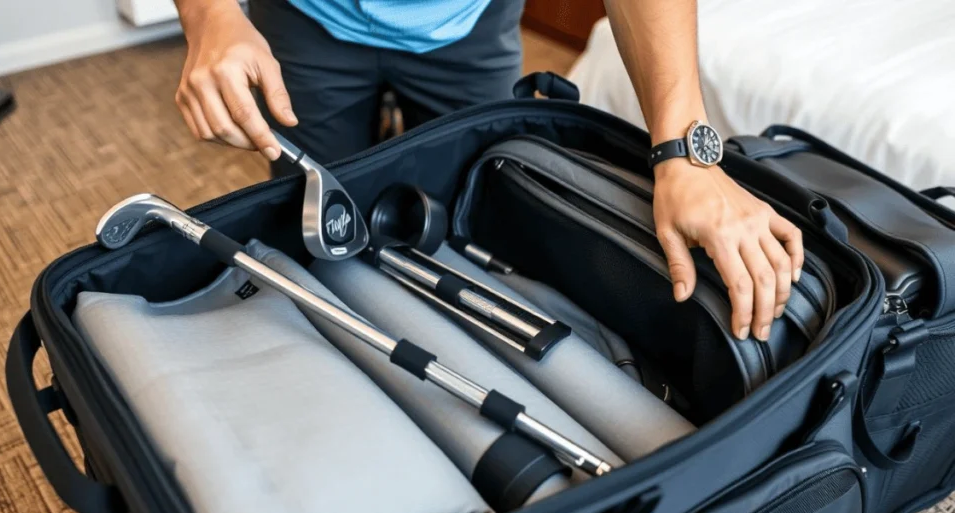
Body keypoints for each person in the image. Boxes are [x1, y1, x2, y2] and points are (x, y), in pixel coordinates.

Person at [170, 0, 804, 344]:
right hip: (303, 18)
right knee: (312, 231)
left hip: (468, 20)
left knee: (477, 208)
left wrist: (685, 153)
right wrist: (210, 14)